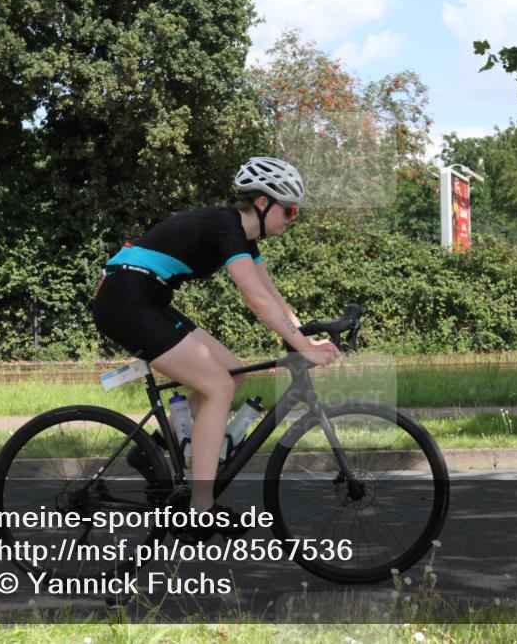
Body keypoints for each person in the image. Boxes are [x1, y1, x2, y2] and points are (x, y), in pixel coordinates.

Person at [91, 157, 341, 537]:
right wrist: (301, 346)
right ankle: (200, 509)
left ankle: (153, 449)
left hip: (143, 299)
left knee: (232, 375)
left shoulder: (241, 235)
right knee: (219, 385)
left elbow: (269, 293)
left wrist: (302, 333)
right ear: (263, 202)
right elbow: (255, 299)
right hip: (126, 302)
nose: (292, 219)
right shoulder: (227, 225)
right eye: (289, 210)